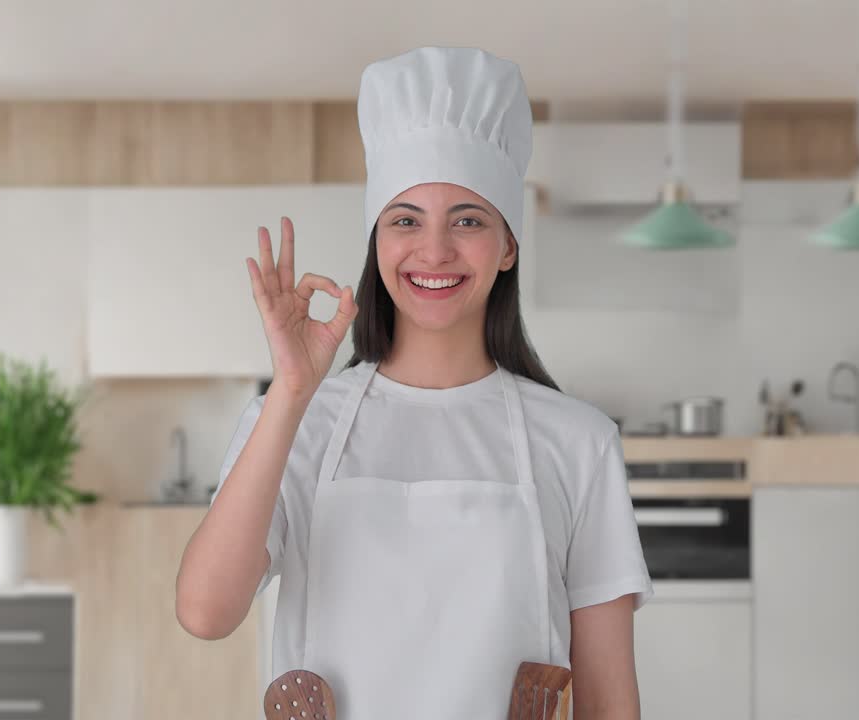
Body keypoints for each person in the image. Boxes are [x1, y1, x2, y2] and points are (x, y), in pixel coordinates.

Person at [176, 46, 653, 719]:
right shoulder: (298, 423)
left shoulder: (578, 442)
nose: (434, 251)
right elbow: (205, 611)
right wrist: (289, 392)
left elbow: (608, 703)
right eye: (405, 220)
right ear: (377, 240)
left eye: (468, 219)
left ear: (508, 244)